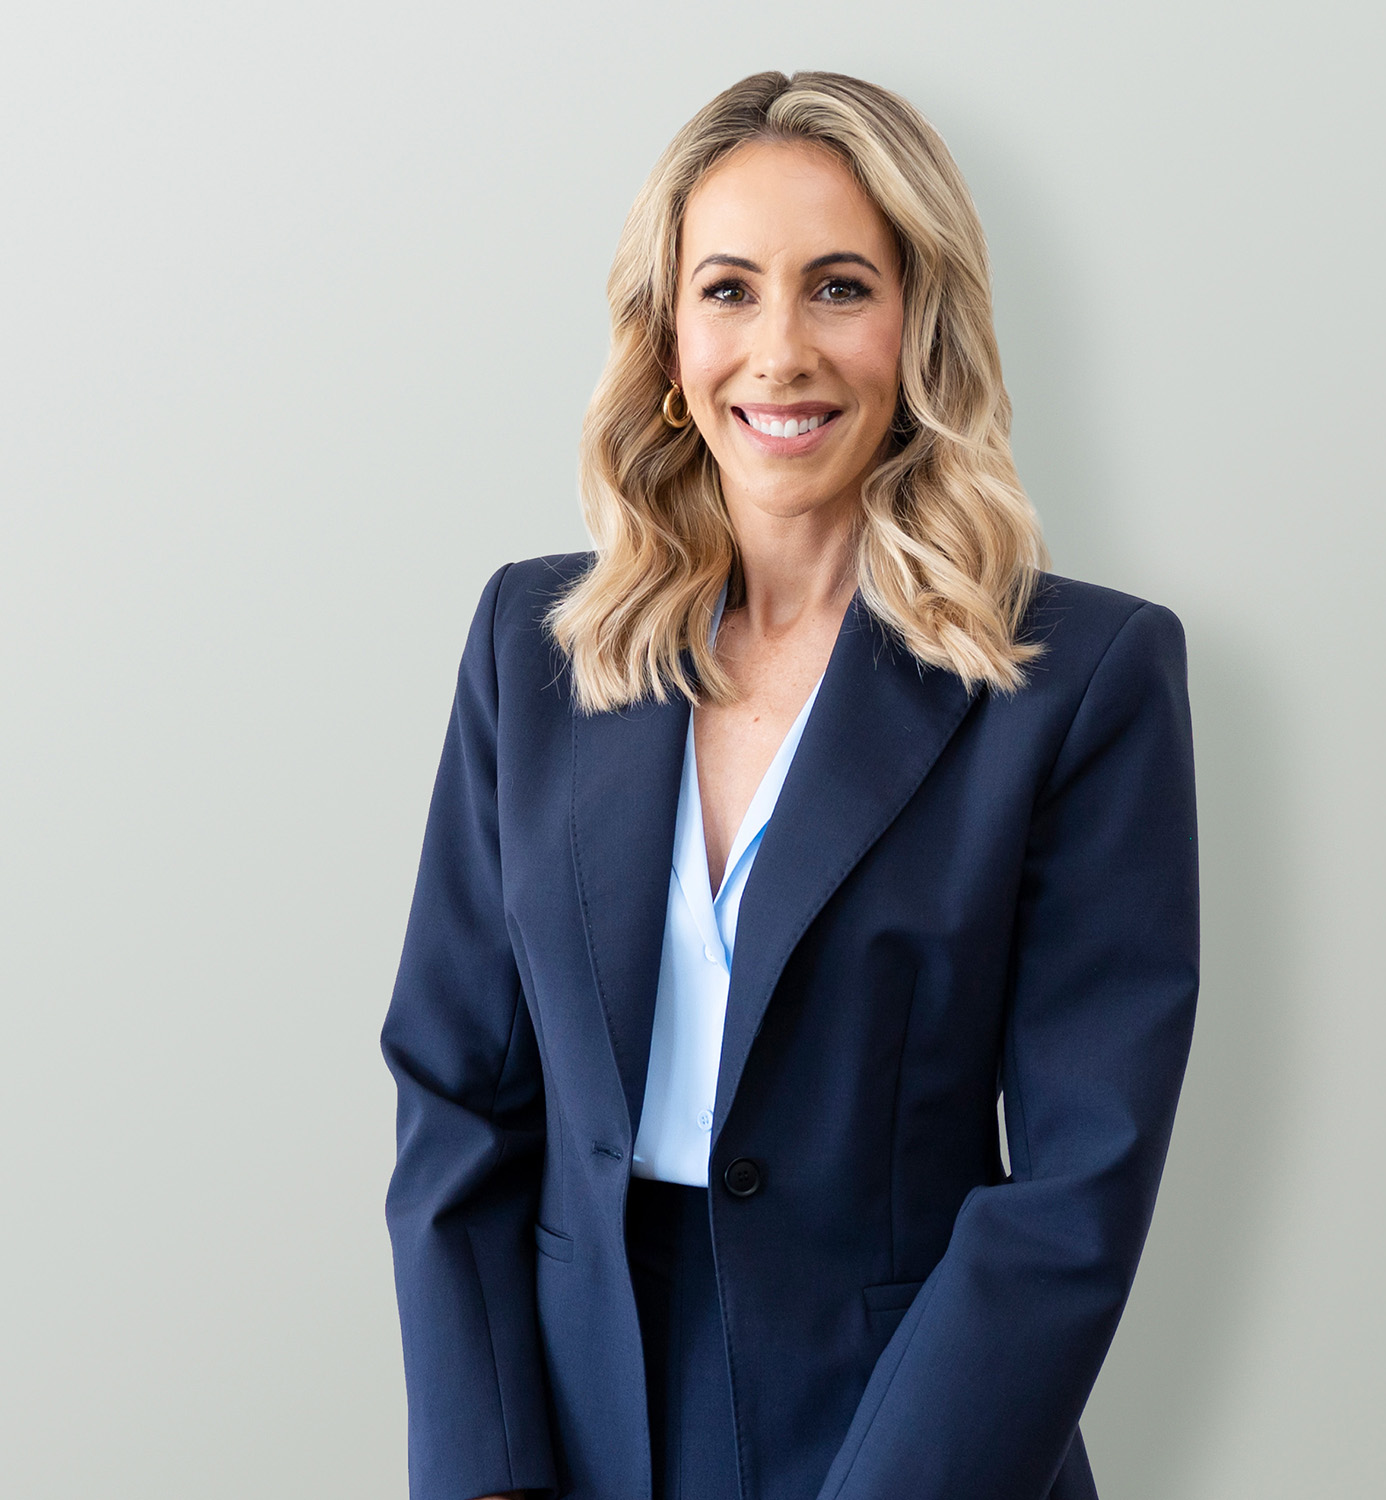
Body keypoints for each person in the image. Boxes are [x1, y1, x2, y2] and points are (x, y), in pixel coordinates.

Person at [382, 70, 1198, 1500]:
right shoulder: (535, 645)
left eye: (838, 288)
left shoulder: (1079, 680)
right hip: (569, 1427)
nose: (780, 352)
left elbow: (1080, 1188)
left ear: (919, 324)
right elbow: (457, 1095)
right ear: (669, 335)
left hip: (917, 1432)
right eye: (729, 291)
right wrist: (487, 1476)